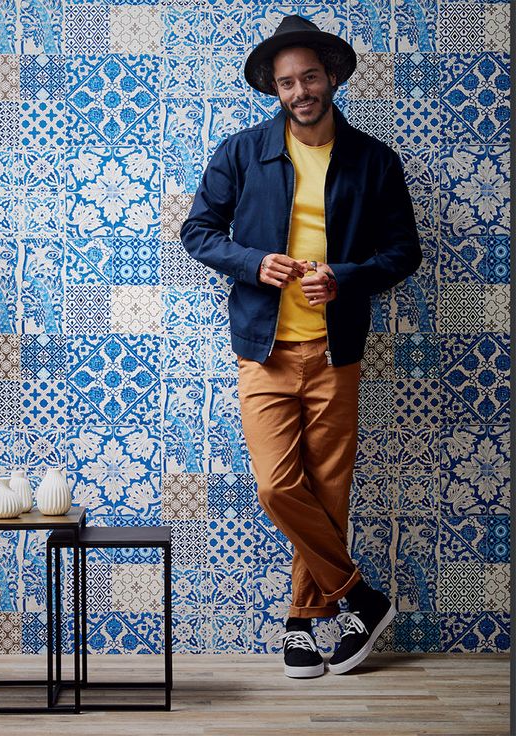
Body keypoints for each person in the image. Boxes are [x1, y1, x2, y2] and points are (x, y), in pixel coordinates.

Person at [180, 15, 422, 678]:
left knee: (327, 493)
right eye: (287, 81)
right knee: (278, 485)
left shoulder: (375, 160)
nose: (300, 90)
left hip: (335, 351)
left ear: (332, 77)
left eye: (309, 76)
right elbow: (197, 232)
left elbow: (406, 252)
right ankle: (360, 599)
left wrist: (343, 278)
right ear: (275, 89)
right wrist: (254, 262)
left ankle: (303, 624)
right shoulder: (240, 152)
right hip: (264, 348)